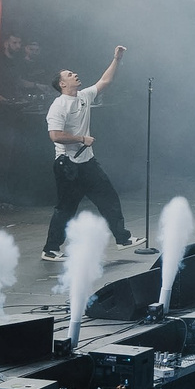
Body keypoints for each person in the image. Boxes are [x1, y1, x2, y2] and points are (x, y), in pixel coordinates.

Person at [42, 43, 130, 257]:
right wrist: (81, 138)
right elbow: (55, 135)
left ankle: (122, 238)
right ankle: (50, 249)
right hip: (67, 165)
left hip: (87, 162)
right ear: (62, 84)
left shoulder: (83, 96)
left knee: (108, 198)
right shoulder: (59, 106)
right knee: (66, 209)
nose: (75, 75)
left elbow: (105, 81)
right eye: (70, 75)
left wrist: (116, 59)